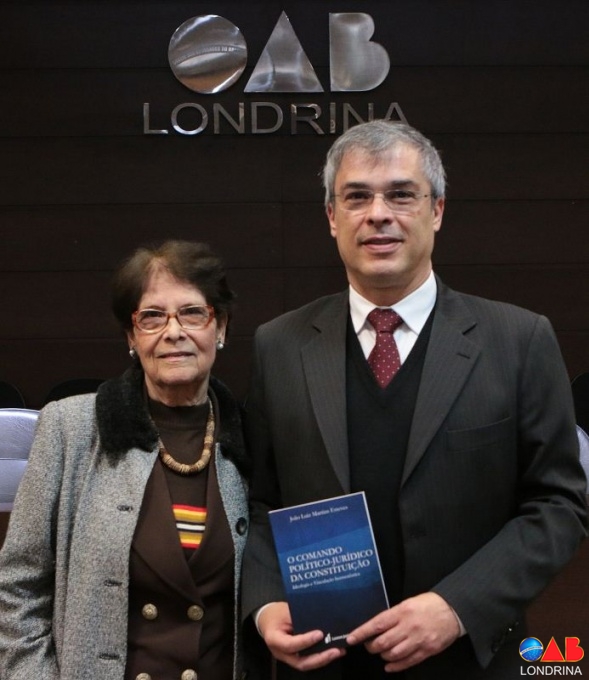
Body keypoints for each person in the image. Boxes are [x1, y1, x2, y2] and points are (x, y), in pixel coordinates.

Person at [241, 121, 587, 680]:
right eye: (357, 197)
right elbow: (261, 504)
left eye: (401, 194)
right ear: (332, 217)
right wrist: (265, 605)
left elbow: (560, 504)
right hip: (326, 663)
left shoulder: (519, 340)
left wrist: (457, 607)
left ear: (437, 210)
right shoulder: (278, 345)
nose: (378, 214)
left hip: (470, 663)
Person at [0, 240, 257, 680]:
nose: (173, 331)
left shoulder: (251, 439)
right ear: (131, 337)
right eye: (152, 317)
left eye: (192, 313)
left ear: (221, 328)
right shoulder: (70, 428)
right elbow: (17, 585)